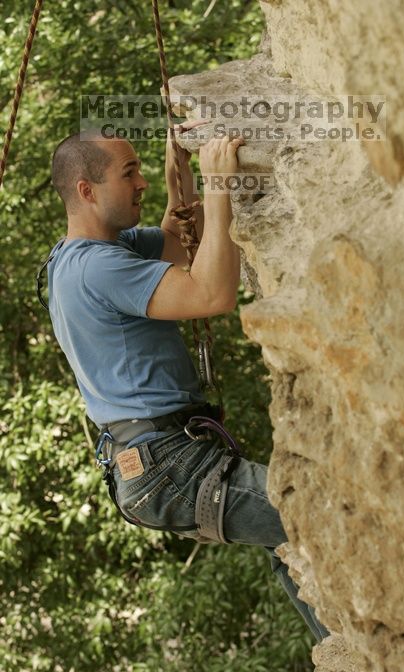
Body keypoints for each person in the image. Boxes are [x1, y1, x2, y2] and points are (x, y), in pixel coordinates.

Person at [46, 123, 330, 643]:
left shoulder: (77, 258)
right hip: (165, 465)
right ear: (86, 190)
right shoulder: (100, 267)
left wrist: (183, 186)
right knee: (312, 515)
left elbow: (178, 246)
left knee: (289, 537)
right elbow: (210, 293)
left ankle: (343, 655)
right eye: (129, 173)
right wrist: (219, 183)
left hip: (153, 463)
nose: (142, 183)